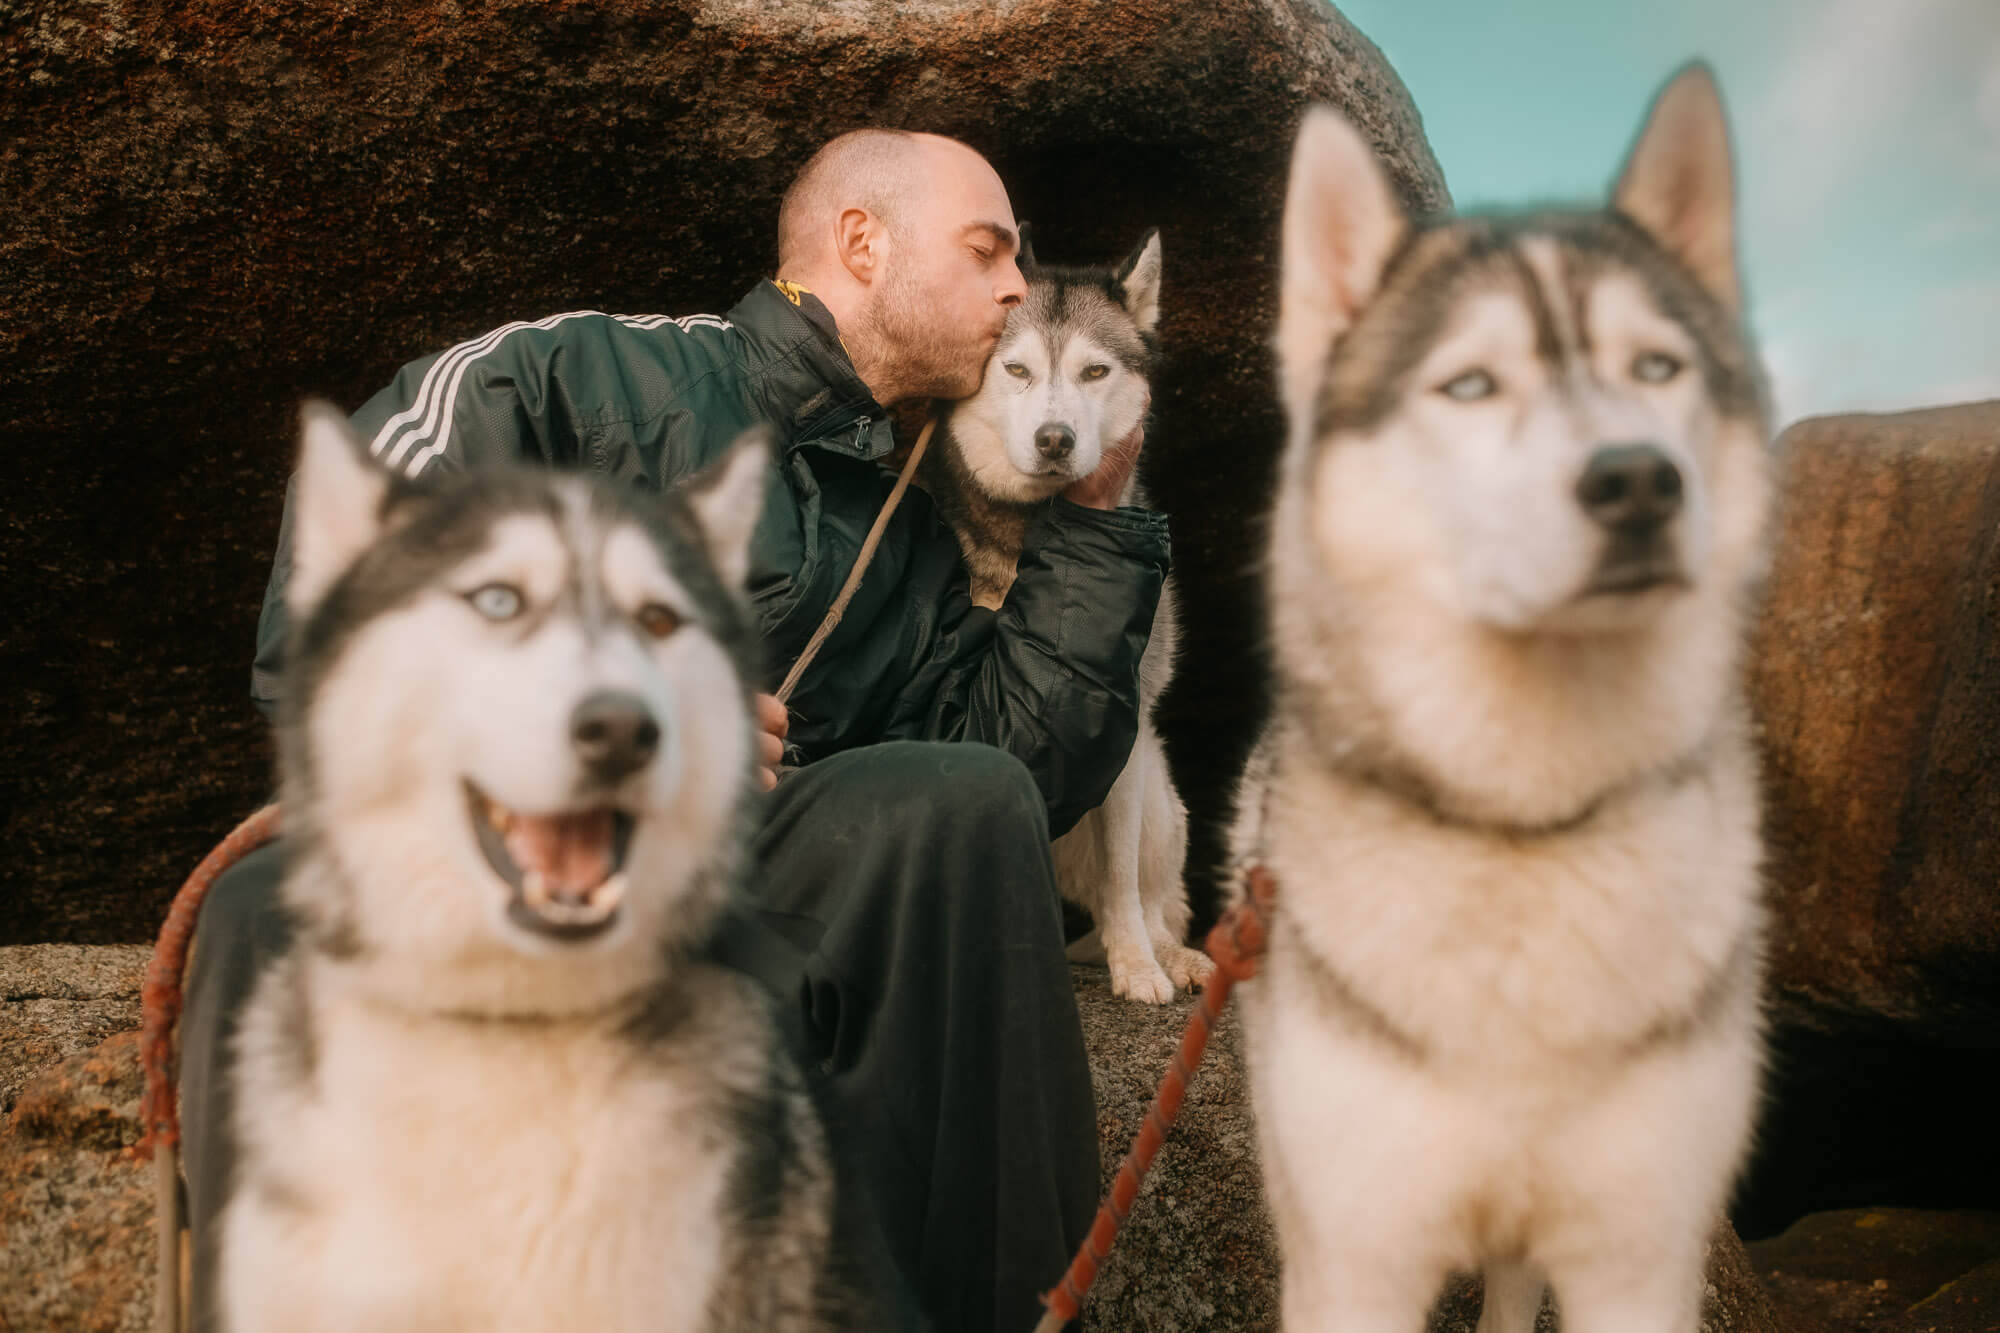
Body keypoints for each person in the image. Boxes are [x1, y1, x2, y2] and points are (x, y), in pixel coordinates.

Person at [180, 129, 1171, 1333]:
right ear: (862, 244)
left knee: (960, 801)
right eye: (988, 249)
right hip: (490, 846)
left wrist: (1098, 516)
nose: (1020, 285)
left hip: (755, 880)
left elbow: (1026, 768)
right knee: (265, 909)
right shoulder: (577, 374)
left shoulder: (920, 536)